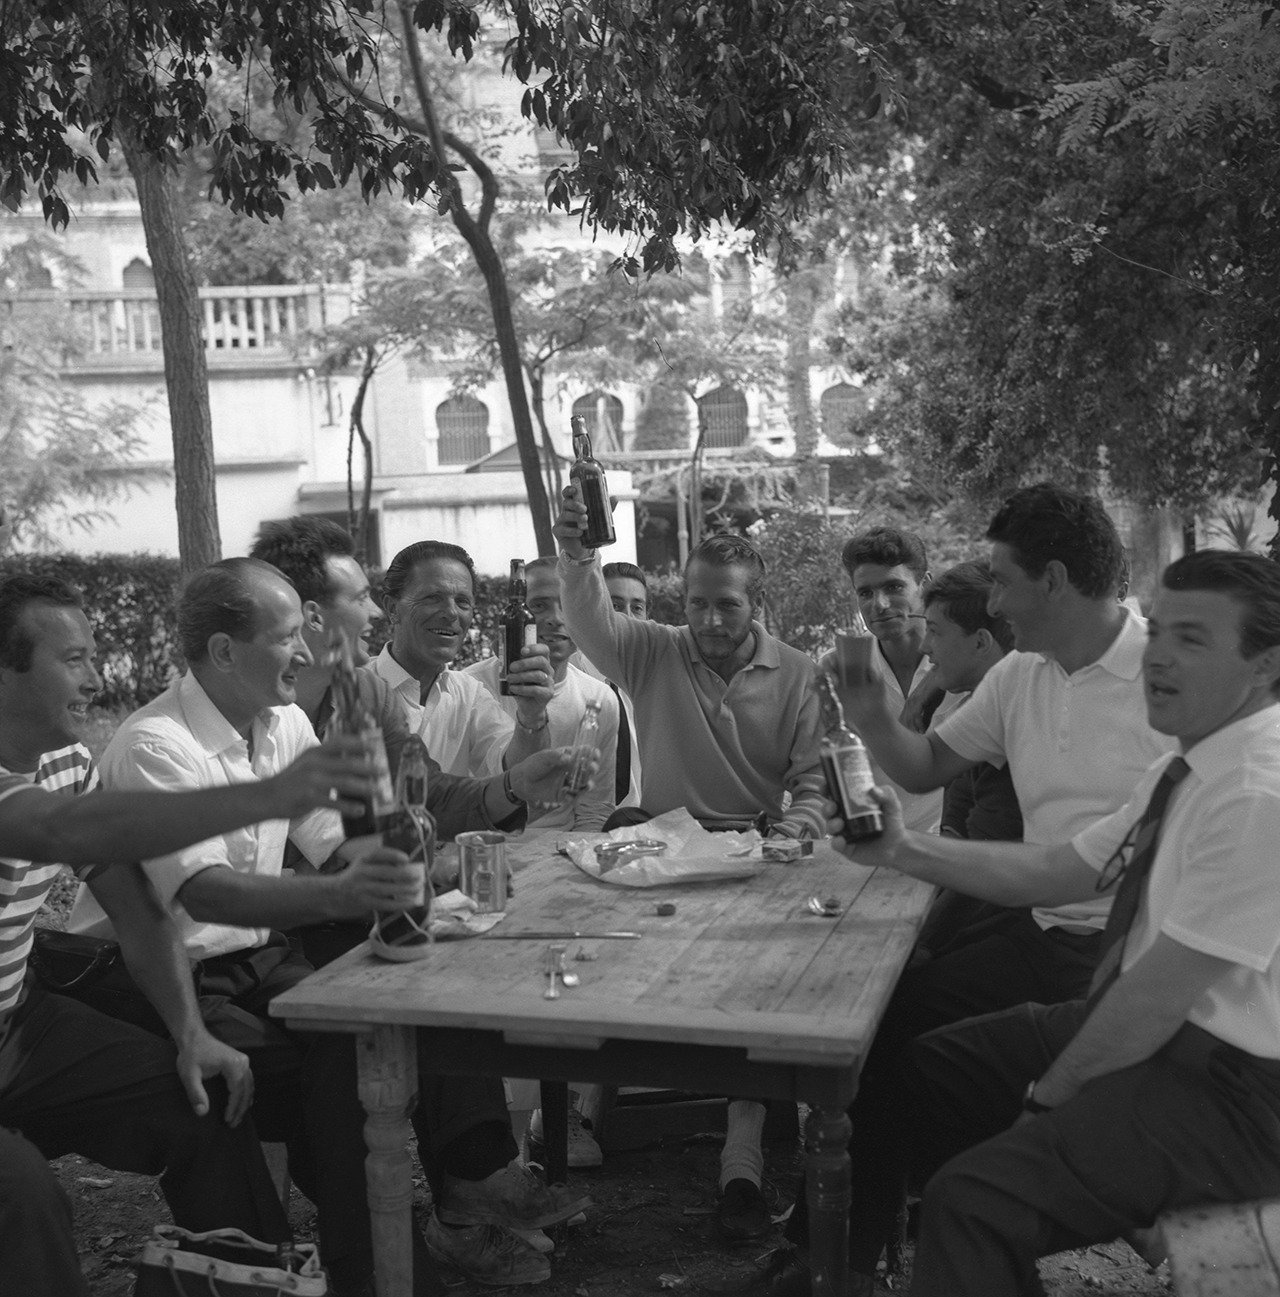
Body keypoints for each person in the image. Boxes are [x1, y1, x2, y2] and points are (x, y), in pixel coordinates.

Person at [66, 558, 587, 1293]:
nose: (309, 651)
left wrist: (421, 870)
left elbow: (338, 838)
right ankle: (374, 1256)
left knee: (383, 1015)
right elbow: (212, 895)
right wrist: (357, 889)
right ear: (223, 651)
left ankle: (405, 1232)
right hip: (160, 978)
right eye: (289, 636)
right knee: (340, 1061)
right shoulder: (156, 744)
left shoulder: (281, 722)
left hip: (257, 961)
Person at [749, 484, 1176, 1294]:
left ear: (1053, 580)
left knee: (913, 1072)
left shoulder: (1164, 682)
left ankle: (871, 1248)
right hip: (1034, 926)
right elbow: (920, 765)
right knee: (874, 1025)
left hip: (1119, 955)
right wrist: (874, 714)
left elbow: (1072, 869)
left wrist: (905, 852)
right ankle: (842, 1256)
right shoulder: (1019, 673)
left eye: (1006, 581)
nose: (996, 597)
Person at [840, 549, 1280, 1297]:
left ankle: (1021, 1207)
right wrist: (903, 847)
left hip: (1232, 1091)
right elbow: (1056, 869)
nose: (1159, 657)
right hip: (1156, 1034)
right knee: (926, 1071)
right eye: (1162, 631)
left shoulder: (1257, 788)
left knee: (973, 1206)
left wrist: (1048, 1100)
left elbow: (1154, 1000)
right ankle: (866, 1261)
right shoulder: (1190, 763)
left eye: (1193, 640)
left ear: (1267, 665)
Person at [0, 572, 381, 1295]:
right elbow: (57, 829)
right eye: (73, 659)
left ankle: (259, 1282)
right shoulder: (137, 748)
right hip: (86, 995)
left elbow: (140, 910)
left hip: (18, 1022)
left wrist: (189, 1034)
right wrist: (272, 795)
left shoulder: (68, 761)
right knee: (21, 1192)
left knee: (204, 1095)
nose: (97, 674)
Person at [249, 517, 597, 1281]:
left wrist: (515, 783)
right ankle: (406, 1234)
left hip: (332, 909)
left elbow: (424, 786)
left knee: (440, 960)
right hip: (279, 930)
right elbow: (329, 850)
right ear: (306, 614)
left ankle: (467, 1191)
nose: (373, 616)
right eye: (361, 598)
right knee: (403, 989)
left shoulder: (360, 689)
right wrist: (430, 865)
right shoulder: (268, 711)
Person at [555, 490, 827, 1242]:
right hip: (662, 852)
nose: (709, 621)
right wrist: (579, 554)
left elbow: (812, 783)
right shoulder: (654, 649)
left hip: (756, 858)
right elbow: (588, 621)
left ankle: (745, 1166)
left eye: (727, 607)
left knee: (767, 999)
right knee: (587, 961)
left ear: (756, 603)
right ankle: (571, 1120)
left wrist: (791, 835)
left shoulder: (801, 672)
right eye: (698, 603)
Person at [371, 540, 553, 778]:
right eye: (432, 598)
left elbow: (514, 771)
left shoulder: (469, 694)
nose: (451, 613)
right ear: (392, 608)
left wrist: (532, 714)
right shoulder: (353, 689)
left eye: (462, 602)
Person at [465, 557, 618, 831]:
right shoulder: (472, 687)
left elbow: (595, 809)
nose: (556, 619)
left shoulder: (600, 699)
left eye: (568, 605)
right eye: (539, 606)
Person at [834, 527, 960, 831]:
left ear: (925, 585)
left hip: (956, 843)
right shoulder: (840, 669)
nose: (879, 604)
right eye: (865, 593)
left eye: (893, 587)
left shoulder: (966, 662)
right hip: (877, 843)